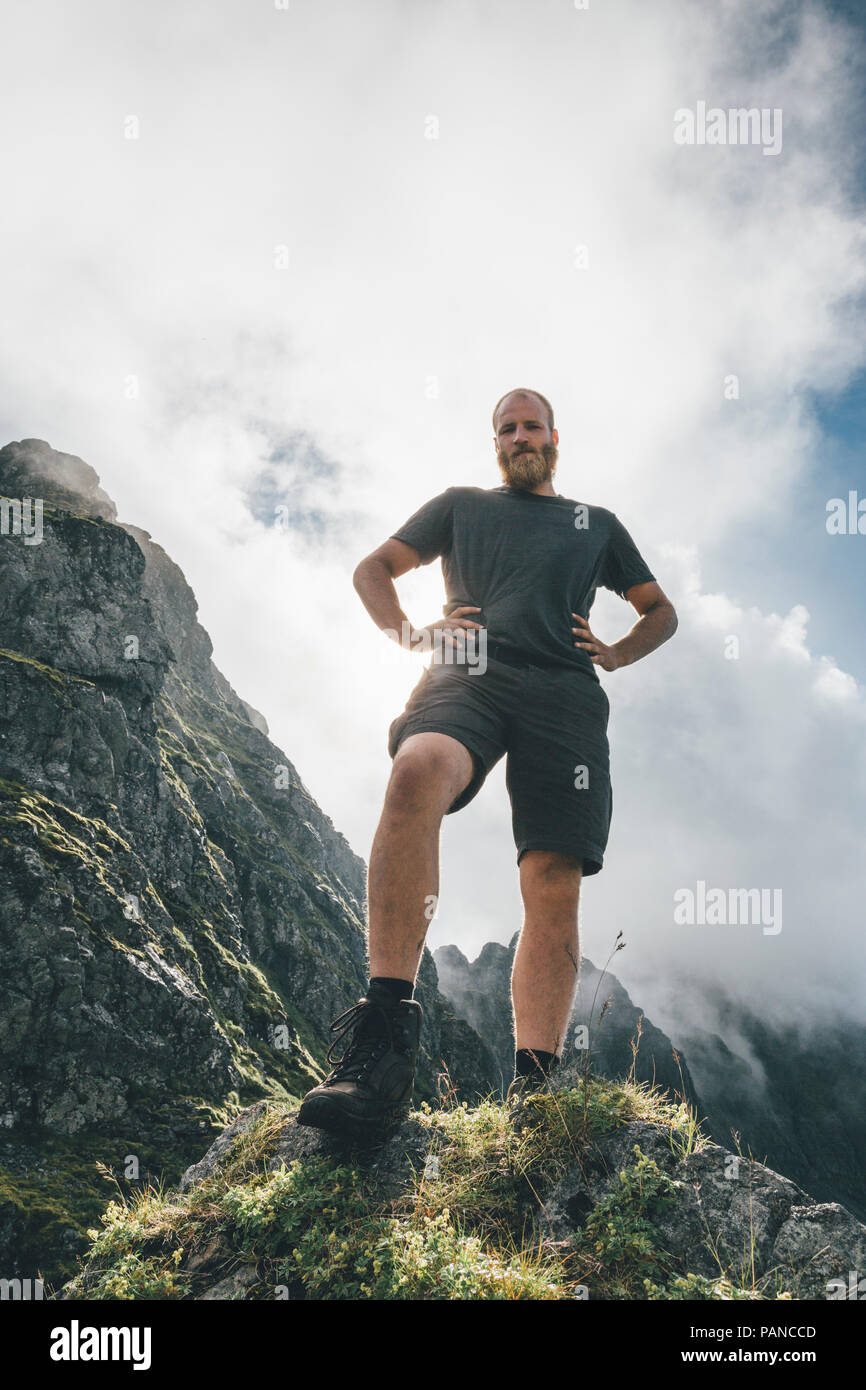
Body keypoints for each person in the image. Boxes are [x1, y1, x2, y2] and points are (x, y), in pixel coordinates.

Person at [297, 388, 678, 1140]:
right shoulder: (460, 506)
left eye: (530, 425)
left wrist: (615, 653)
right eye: (506, 428)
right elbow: (373, 568)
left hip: (566, 694)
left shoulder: (594, 524)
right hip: (464, 671)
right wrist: (410, 635)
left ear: (555, 437)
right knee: (414, 771)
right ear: (495, 444)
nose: (519, 436)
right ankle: (381, 1049)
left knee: (553, 876)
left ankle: (534, 1099)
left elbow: (659, 609)